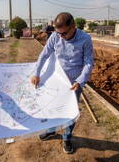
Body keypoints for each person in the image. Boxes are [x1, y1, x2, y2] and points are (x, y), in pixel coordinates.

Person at [31, 12, 94, 154]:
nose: (61, 37)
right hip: (56, 80)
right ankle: (51, 130)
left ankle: (67, 137)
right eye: (58, 33)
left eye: (64, 34)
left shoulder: (85, 39)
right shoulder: (55, 36)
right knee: (53, 106)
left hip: (74, 83)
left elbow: (89, 62)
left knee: (70, 112)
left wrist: (80, 80)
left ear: (73, 27)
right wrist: (37, 72)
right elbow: (44, 55)